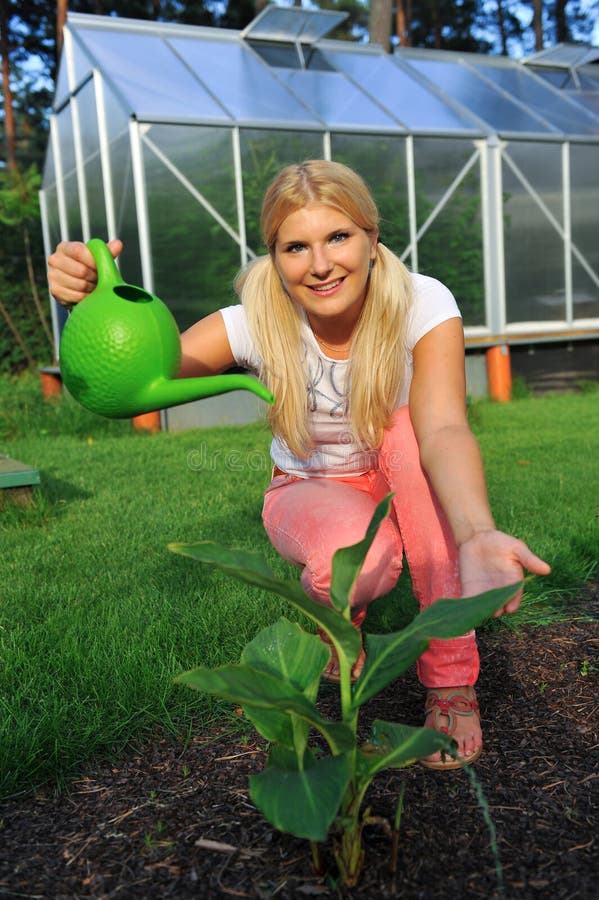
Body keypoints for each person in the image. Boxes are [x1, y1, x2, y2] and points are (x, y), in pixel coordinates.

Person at [47, 159, 550, 770]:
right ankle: (337, 633)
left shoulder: (422, 302)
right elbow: (144, 375)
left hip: (403, 471)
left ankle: (450, 681)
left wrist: (474, 532)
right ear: (274, 256)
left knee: (409, 434)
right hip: (310, 485)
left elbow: (443, 426)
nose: (319, 264)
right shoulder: (256, 320)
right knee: (362, 565)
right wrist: (94, 307)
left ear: (371, 237)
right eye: (296, 247)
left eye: (338, 236)